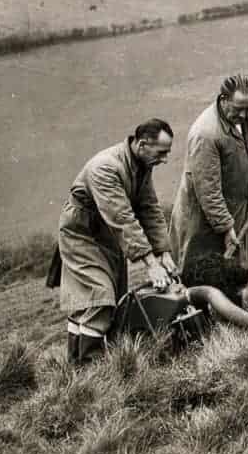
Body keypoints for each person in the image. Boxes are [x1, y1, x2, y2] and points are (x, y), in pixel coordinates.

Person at [54, 119, 178, 364]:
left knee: (110, 299)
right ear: (142, 145)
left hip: (107, 233)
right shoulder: (106, 167)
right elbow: (122, 217)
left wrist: (164, 252)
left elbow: (149, 208)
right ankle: (91, 370)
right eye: (162, 152)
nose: (165, 159)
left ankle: (78, 366)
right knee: (100, 297)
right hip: (83, 233)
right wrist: (151, 265)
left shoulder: (141, 164)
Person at [170, 74, 248, 279]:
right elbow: (209, 191)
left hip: (235, 213)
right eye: (238, 109)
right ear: (223, 99)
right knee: (200, 280)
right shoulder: (206, 134)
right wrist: (226, 228)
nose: (244, 115)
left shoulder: (242, 120)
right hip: (204, 225)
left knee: (234, 276)